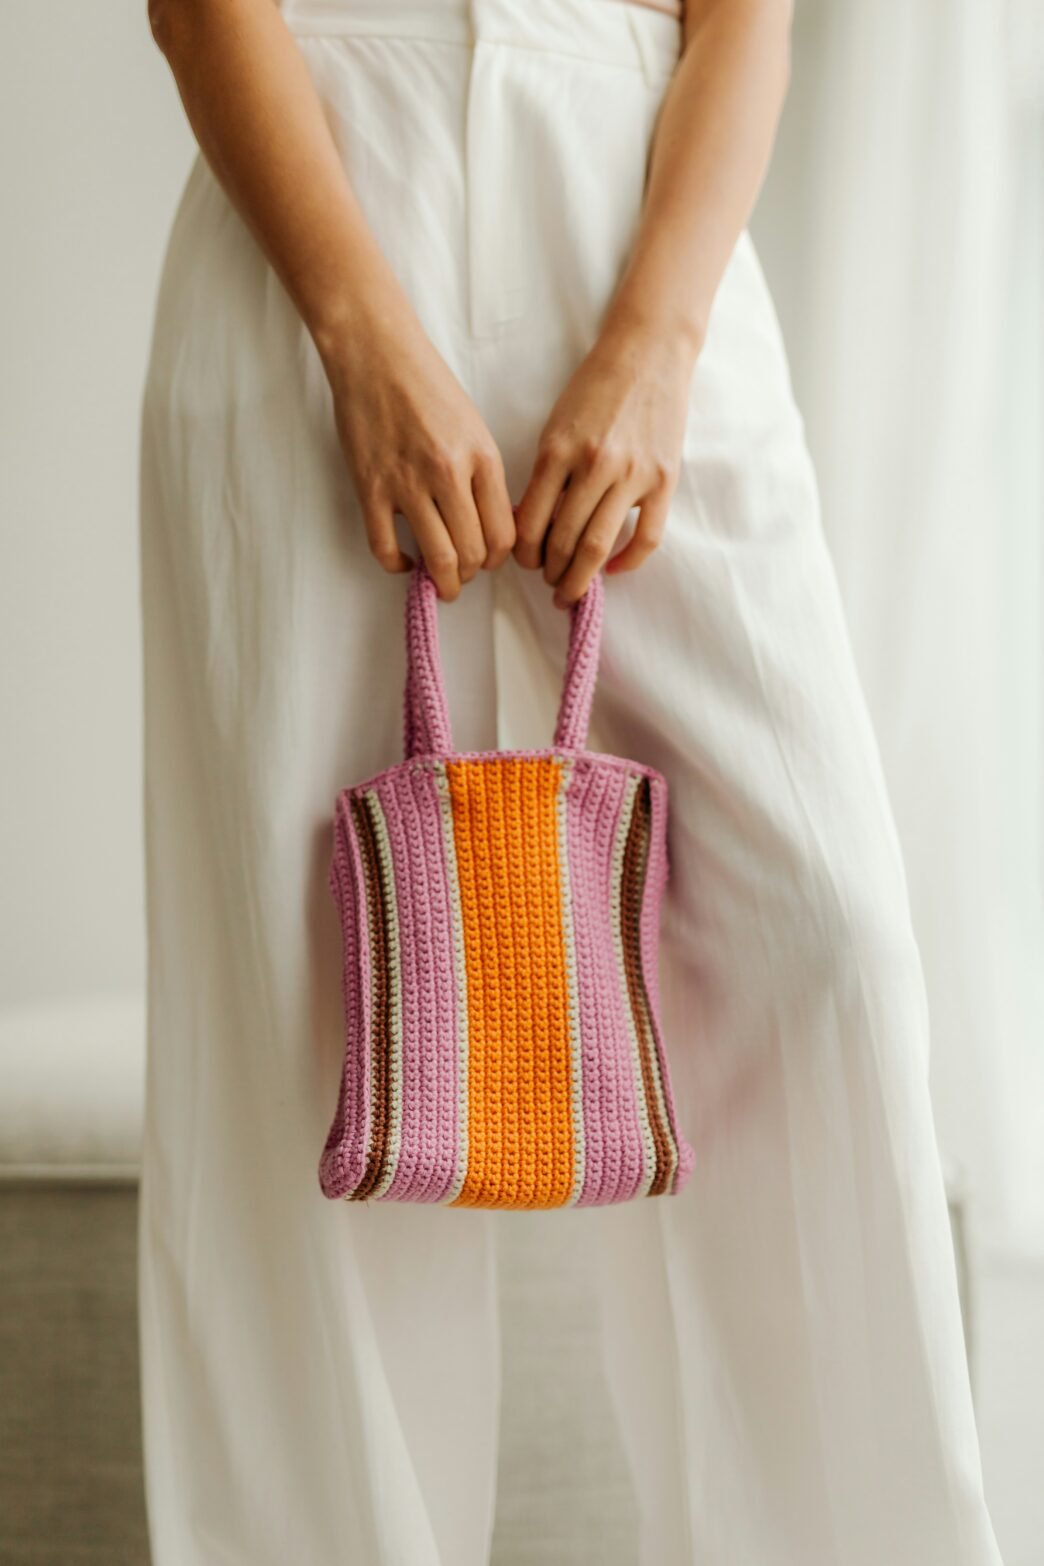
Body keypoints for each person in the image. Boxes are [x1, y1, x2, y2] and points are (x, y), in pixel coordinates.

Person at [138, 0, 1005, 1561]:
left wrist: (663, 346)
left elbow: (750, 18)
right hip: (312, 236)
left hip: (639, 219)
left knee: (833, 946)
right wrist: (358, 323)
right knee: (303, 1031)